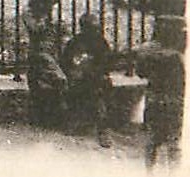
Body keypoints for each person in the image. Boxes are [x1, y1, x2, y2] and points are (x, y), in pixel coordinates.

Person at [127, 19, 185, 168]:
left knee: (152, 138)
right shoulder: (178, 56)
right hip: (176, 99)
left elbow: (141, 73)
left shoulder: (148, 53)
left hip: (154, 97)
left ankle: (150, 173)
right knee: (174, 140)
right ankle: (173, 175)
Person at [61, 13, 114, 145]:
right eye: (89, 28)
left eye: (94, 28)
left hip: (95, 78)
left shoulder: (100, 42)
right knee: (77, 89)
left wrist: (96, 72)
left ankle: (103, 129)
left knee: (99, 91)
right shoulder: (75, 42)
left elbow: (107, 63)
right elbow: (67, 62)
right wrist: (75, 72)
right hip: (80, 78)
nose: (92, 31)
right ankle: (75, 121)